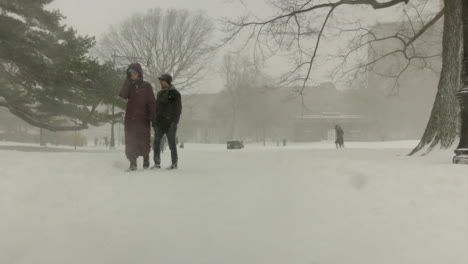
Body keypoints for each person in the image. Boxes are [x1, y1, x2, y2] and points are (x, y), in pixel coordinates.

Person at [119, 63, 157, 171]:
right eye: (130, 73)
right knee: (131, 141)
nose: (132, 75)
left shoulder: (146, 86)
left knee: (144, 140)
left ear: (139, 73)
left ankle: (146, 158)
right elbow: (122, 95)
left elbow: (152, 103)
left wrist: (153, 117)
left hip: (143, 119)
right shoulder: (129, 85)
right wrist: (127, 81)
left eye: (134, 73)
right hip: (130, 119)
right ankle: (133, 163)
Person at [152, 73, 182, 170]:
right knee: (156, 144)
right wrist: (154, 122)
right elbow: (156, 109)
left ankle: (174, 163)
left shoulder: (175, 94)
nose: (160, 82)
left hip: (170, 124)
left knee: (172, 144)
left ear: (167, 81)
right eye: (160, 80)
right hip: (159, 124)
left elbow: (178, 109)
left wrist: (174, 122)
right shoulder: (160, 93)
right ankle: (157, 163)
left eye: (162, 80)